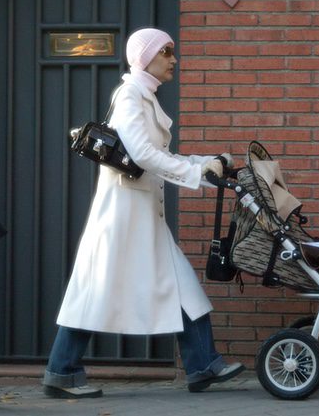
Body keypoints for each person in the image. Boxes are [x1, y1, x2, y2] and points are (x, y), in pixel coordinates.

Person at [43, 27, 244, 399]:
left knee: (181, 285)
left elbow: (157, 156)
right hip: (123, 216)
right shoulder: (131, 96)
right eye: (166, 51)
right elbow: (142, 155)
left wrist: (207, 164)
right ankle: (61, 370)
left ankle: (203, 363)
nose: (173, 58)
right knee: (95, 291)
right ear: (144, 57)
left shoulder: (143, 95)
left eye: (172, 51)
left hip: (141, 213)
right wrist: (197, 172)